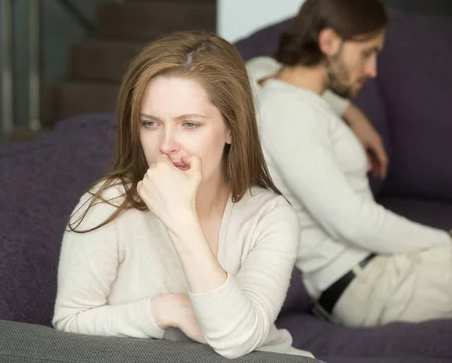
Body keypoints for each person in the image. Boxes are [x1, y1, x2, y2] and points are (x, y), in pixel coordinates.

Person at [52, 31, 314, 359]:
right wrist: (167, 309)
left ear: (232, 128)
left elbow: (237, 339)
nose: (165, 145)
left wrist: (181, 220)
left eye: (189, 124)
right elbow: (70, 320)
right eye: (150, 123)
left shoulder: (270, 216)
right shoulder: (106, 205)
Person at [247, 0, 452, 327]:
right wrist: (445, 242)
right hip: (368, 285)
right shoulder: (288, 114)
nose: (372, 70)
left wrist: (350, 112)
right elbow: (352, 222)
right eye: (367, 53)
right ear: (328, 41)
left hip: (376, 268)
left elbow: (259, 66)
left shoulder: (276, 87)